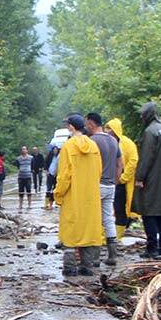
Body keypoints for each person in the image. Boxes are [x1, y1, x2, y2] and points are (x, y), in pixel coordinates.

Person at [54, 113, 104, 276]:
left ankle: (69, 267)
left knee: (71, 230)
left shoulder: (68, 146)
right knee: (88, 228)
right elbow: (99, 171)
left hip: (72, 195)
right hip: (90, 195)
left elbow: (64, 175)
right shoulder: (93, 145)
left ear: (71, 127)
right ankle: (87, 266)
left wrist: (58, 194)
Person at [132, 102, 161, 259]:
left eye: (143, 114)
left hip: (152, 178)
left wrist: (139, 177)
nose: (141, 117)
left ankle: (152, 248)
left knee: (148, 211)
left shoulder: (150, 132)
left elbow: (146, 157)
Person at [85, 112, 123, 266]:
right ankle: (112, 255)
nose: (86, 126)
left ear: (92, 124)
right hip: (110, 185)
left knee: (93, 219)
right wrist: (115, 180)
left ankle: (94, 257)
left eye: (87, 123)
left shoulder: (92, 141)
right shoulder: (114, 141)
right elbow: (120, 163)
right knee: (108, 218)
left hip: (96, 185)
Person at [104, 117, 139, 241]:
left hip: (122, 181)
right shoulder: (108, 142)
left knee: (121, 208)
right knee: (111, 208)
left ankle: (118, 236)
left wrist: (124, 178)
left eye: (110, 129)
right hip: (110, 180)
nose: (107, 131)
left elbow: (133, 161)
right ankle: (111, 233)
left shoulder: (127, 143)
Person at [15, 146, 34, 211]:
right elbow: (17, 166)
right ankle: (20, 205)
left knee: (29, 191)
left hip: (28, 176)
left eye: (25, 149)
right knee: (21, 191)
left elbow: (33, 165)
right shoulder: (18, 158)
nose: (23, 150)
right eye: (22, 149)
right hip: (21, 176)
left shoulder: (31, 158)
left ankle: (29, 205)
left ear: (27, 150)